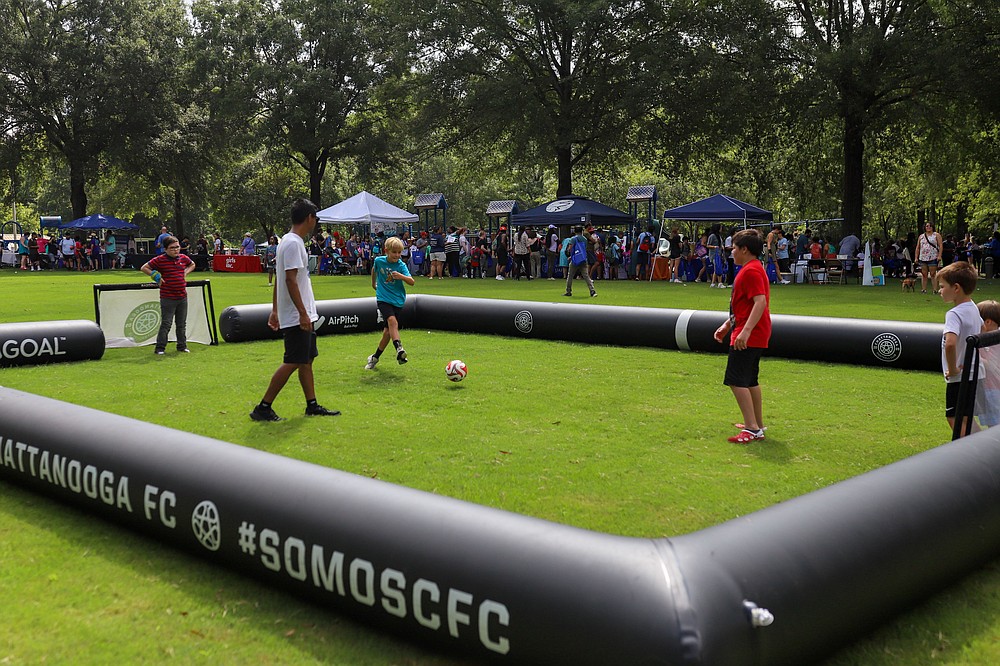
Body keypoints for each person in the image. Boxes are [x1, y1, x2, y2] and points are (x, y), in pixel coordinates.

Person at [250, 198, 340, 421]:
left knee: (306, 359)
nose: (316, 222)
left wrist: (275, 310)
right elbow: (289, 280)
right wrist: (300, 313)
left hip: (299, 313)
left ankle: (312, 405)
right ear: (309, 217)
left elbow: (283, 279)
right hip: (297, 315)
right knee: (292, 361)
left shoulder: (290, 242)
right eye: (315, 218)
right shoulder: (292, 243)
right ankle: (263, 407)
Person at [713, 229, 771, 444]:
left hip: (750, 334)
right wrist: (728, 324)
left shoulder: (751, 271)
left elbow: (760, 302)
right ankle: (757, 423)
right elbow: (744, 305)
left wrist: (745, 331)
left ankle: (752, 428)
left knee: (736, 380)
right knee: (750, 380)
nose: (732, 253)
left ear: (745, 249)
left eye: (734, 249)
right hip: (754, 332)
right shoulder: (753, 269)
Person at [937, 261, 983, 435]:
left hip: (960, 377)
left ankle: (973, 452)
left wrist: (953, 369)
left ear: (956, 288)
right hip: (974, 372)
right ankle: (984, 446)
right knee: (965, 417)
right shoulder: (973, 308)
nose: (940, 291)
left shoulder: (954, 314)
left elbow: (950, 344)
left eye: (942, 287)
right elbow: (983, 331)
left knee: (954, 418)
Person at [364, 236, 415, 370]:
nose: (397, 255)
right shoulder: (379, 261)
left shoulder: (401, 265)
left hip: (397, 300)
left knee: (387, 332)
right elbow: (374, 270)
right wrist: (373, 284)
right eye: (394, 252)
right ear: (386, 250)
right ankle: (399, 349)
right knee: (392, 321)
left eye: (399, 253)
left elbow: (412, 282)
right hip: (383, 298)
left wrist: (401, 276)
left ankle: (374, 358)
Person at [141, 235, 195, 355]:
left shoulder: (183, 258)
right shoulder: (160, 259)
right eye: (172, 248)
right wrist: (156, 276)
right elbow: (144, 267)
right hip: (168, 297)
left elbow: (192, 264)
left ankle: (182, 346)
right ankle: (160, 348)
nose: (176, 250)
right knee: (166, 323)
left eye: (177, 247)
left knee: (181, 324)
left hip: (182, 296)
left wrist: (185, 272)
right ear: (165, 249)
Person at [975, 300, 1000, 429]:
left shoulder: (991, 340)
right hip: (990, 388)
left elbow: (991, 365)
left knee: (994, 425)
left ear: (988, 322)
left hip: (993, 390)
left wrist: (975, 360)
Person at [563, 225, 597, 298]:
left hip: (575, 259)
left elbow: (570, 249)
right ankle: (592, 290)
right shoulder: (584, 239)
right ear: (582, 231)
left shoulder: (573, 239)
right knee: (586, 275)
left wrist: (570, 256)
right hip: (583, 258)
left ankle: (568, 291)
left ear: (575, 231)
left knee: (570, 275)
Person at [917, 222, 943, 294]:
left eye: (930, 226)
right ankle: (923, 289)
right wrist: (916, 257)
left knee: (933, 273)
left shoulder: (936, 235)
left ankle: (935, 290)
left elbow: (940, 245)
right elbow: (918, 247)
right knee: (924, 274)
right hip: (923, 257)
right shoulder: (921, 236)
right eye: (927, 226)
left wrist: (939, 255)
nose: (928, 227)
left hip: (933, 256)